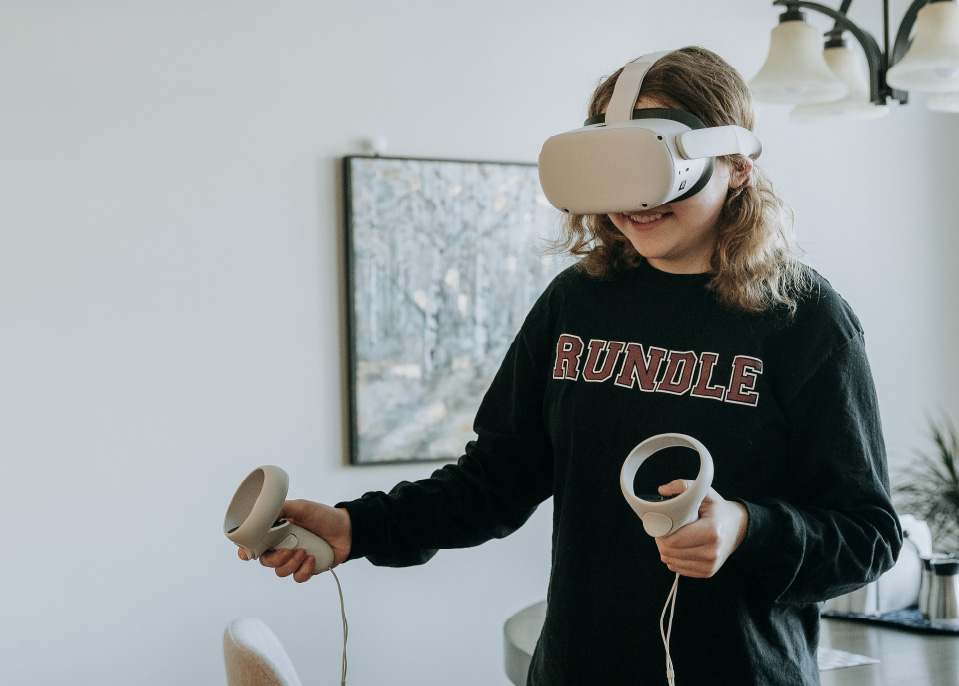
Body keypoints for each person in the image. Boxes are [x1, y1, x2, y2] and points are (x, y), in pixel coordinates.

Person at [240, 46, 902, 685]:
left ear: (734, 166)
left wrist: (745, 529)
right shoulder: (576, 302)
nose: (635, 201)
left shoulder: (802, 318)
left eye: (652, 162)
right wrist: (360, 526)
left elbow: (866, 536)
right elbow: (496, 478)